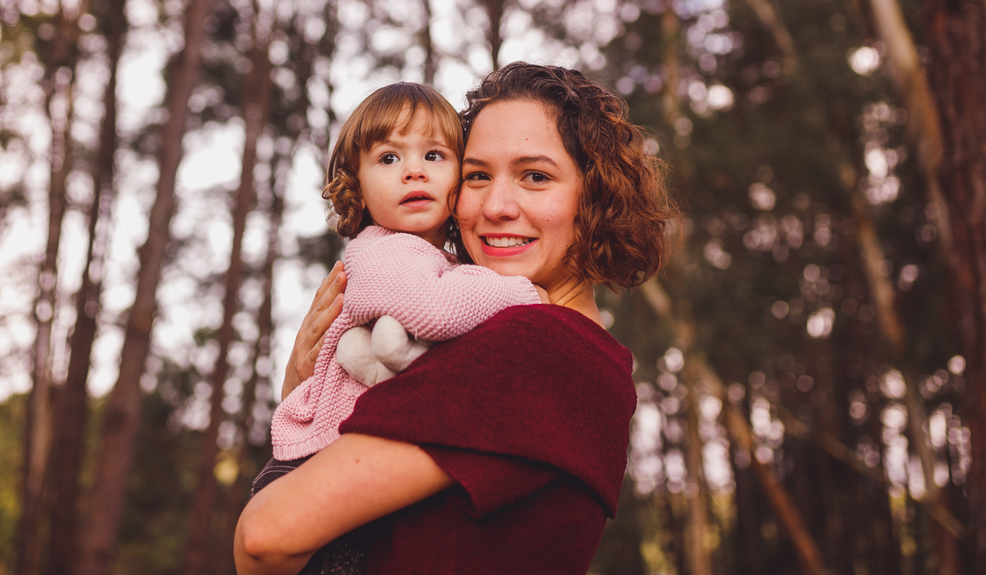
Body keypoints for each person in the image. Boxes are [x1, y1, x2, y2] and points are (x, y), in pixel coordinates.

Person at [235, 63, 679, 575]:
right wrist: (305, 386)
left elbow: (265, 535)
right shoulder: (582, 357)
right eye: (477, 176)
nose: (495, 205)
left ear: (596, 194)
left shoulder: (539, 344)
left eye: (535, 176)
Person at [269, 81, 544, 463]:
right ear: (358, 188)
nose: (414, 171)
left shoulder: (433, 261)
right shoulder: (381, 250)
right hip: (316, 460)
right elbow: (431, 310)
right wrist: (524, 293)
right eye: (388, 159)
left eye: (433, 155)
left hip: (350, 455)